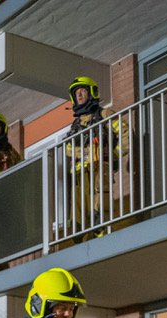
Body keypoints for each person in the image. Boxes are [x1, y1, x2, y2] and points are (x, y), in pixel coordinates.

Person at [63, 76, 124, 239]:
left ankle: (102, 235)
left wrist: (113, 155)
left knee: (99, 206)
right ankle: (81, 240)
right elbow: (68, 149)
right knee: (79, 212)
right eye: (76, 93)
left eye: (83, 91)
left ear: (91, 93)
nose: (80, 95)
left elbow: (125, 134)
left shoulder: (104, 114)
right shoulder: (75, 126)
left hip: (99, 169)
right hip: (79, 174)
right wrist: (84, 153)